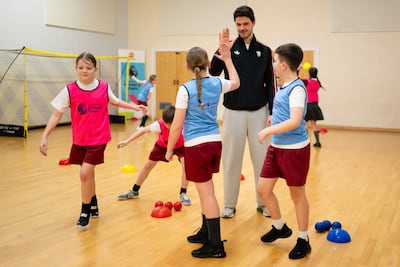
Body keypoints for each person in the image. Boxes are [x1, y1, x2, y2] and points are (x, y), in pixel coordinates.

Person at [39, 52, 146, 231]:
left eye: (88, 68)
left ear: (96, 69)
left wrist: (134, 106)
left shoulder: (103, 86)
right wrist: (44, 136)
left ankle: (85, 211)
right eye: (81, 68)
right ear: (76, 68)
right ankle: (94, 202)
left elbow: (116, 102)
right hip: (80, 139)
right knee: (89, 174)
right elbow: (57, 114)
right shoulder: (70, 89)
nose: (84, 71)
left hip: (99, 137)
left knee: (84, 173)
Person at [166, 28, 240, 258]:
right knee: (205, 191)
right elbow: (236, 82)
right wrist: (227, 59)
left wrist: (169, 150)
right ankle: (206, 232)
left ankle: (216, 245)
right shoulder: (218, 83)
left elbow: (176, 125)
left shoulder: (185, 89)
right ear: (209, 62)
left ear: (187, 66)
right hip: (214, 143)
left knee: (207, 194)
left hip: (196, 146)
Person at [209, 5, 275, 218]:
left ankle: (263, 203)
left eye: (246, 24)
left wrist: (272, 112)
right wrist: (220, 51)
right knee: (230, 160)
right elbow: (213, 72)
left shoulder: (265, 51)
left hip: (259, 113)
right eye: (238, 24)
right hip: (233, 112)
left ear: (253, 23)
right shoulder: (229, 47)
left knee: (262, 160)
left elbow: (270, 84)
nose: (242, 28)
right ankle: (229, 204)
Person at [256, 43, 311, 259]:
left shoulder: (297, 89)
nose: (274, 64)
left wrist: (267, 129)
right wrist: (273, 118)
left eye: (276, 61)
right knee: (263, 188)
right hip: (276, 148)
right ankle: (280, 227)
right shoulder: (283, 85)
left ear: (284, 65)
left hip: (294, 150)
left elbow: (296, 120)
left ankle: (303, 239)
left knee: (297, 195)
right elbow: (282, 111)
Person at [117, 105, 191, 205]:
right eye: (167, 124)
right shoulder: (159, 125)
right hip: (162, 146)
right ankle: (134, 191)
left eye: (171, 124)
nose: (169, 127)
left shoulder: (183, 123)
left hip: (180, 146)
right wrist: (127, 141)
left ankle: (183, 193)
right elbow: (142, 131)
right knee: (147, 166)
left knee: (186, 167)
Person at [303, 67, 324, 147]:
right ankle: (318, 142)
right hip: (315, 105)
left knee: (304, 124)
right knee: (314, 124)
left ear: (309, 74)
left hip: (308, 105)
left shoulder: (307, 82)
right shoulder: (318, 83)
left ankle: (305, 143)